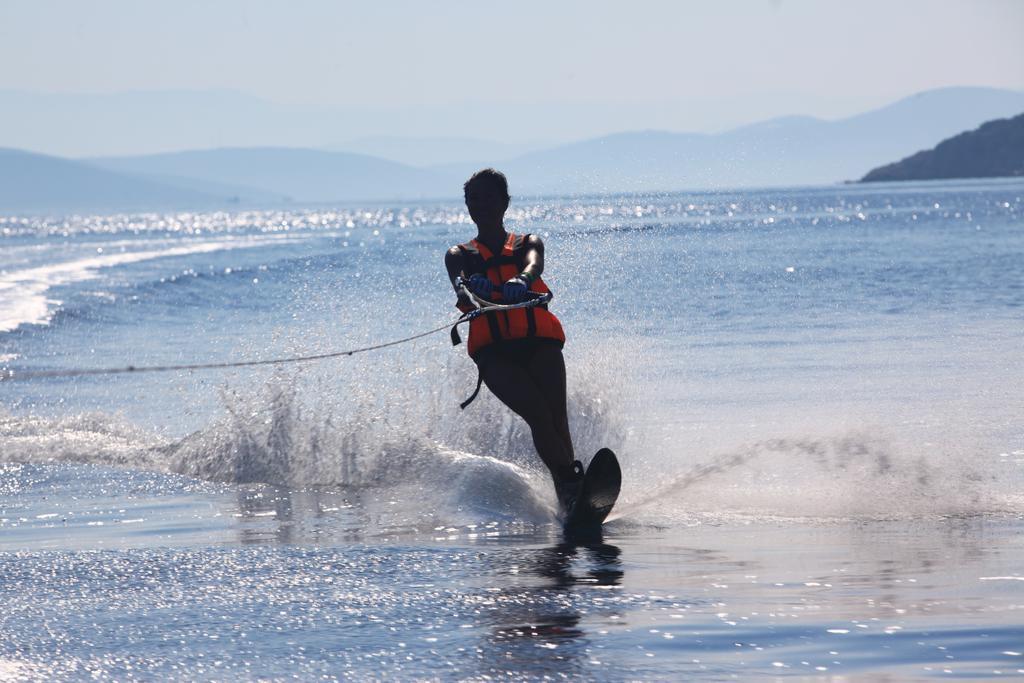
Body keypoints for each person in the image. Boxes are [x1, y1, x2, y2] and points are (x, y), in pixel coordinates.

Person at [445, 168, 584, 513]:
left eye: (488, 197)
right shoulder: (458, 254)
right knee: (537, 414)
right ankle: (570, 483)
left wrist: (522, 279)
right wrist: (469, 286)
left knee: (556, 417)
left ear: (505, 202)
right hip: (495, 353)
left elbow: (534, 264)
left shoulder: (528, 243)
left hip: (539, 342)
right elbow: (458, 282)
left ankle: (568, 492)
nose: (481, 205)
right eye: (473, 199)